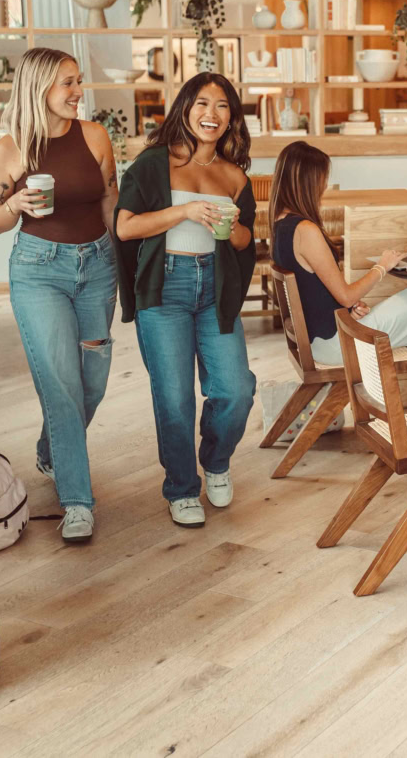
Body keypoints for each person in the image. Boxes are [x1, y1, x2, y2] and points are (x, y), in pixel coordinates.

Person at [0, 47, 119, 544]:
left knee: (94, 379)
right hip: (38, 272)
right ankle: (77, 502)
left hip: (98, 266)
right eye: (67, 82)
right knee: (61, 385)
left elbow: (110, 200)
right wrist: (14, 203)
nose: (78, 92)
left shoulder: (95, 136)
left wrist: (125, 266)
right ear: (40, 87)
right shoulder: (10, 149)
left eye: (78, 81)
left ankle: (53, 447)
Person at [114, 72, 257, 530]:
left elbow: (245, 240)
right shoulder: (154, 163)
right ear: (184, 108)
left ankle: (215, 461)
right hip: (165, 285)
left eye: (221, 106)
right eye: (201, 103)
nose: (210, 114)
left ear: (232, 118)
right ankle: (180, 486)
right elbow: (125, 227)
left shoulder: (234, 175)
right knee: (174, 397)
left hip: (215, 286)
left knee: (236, 389)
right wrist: (185, 211)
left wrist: (230, 229)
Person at [269, 141, 407, 410]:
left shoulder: (281, 225)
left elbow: (315, 289)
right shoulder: (306, 230)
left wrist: (347, 306)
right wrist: (381, 267)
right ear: (307, 181)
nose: (324, 186)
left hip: (322, 339)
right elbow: (345, 293)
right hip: (335, 345)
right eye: (322, 179)